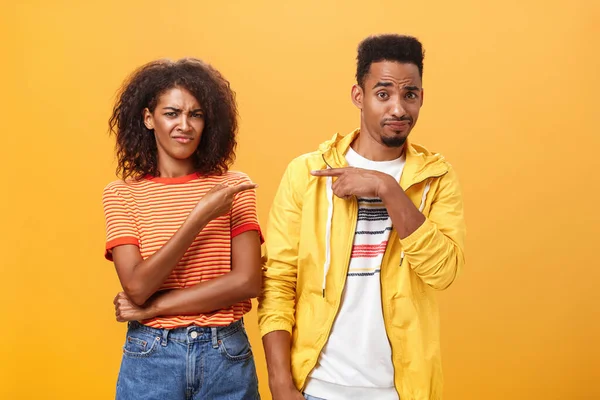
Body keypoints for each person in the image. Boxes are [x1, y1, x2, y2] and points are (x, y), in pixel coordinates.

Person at [258, 34, 466, 400]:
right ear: (359, 96)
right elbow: (278, 283)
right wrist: (280, 384)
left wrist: (389, 189)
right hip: (316, 387)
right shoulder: (307, 173)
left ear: (421, 97)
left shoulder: (437, 178)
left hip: (400, 391)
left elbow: (444, 270)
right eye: (383, 94)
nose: (398, 109)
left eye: (410, 95)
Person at [102, 58, 262, 400]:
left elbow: (247, 281)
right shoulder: (122, 194)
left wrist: (157, 308)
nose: (185, 125)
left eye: (196, 114)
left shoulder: (234, 187)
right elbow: (137, 287)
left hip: (226, 355)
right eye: (172, 113)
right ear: (149, 118)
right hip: (151, 356)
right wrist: (199, 216)